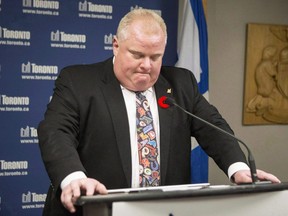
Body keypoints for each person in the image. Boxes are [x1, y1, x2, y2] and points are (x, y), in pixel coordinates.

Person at [38, 8, 280, 216]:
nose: (147, 65)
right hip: (94, 210)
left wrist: (238, 168)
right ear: (116, 45)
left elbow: (212, 127)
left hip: (163, 210)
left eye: (156, 57)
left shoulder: (181, 83)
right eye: (137, 55)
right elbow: (56, 131)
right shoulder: (78, 81)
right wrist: (73, 177)